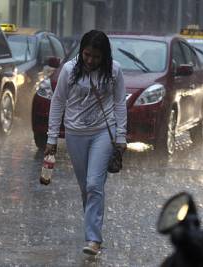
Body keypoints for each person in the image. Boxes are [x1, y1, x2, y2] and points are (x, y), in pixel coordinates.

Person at [45, 30, 127, 255]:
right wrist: (52, 138)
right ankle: (92, 229)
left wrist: (121, 137)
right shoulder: (70, 70)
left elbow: (120, 103)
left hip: (103, 133)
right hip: (75, 134)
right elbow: (58, 102)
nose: (90, 61)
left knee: (93, 184)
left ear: (105, 56)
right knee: (86, 188)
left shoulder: (114, 71)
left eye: (96, 57)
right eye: (87, 55)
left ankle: (93, 239)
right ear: (81, 52)